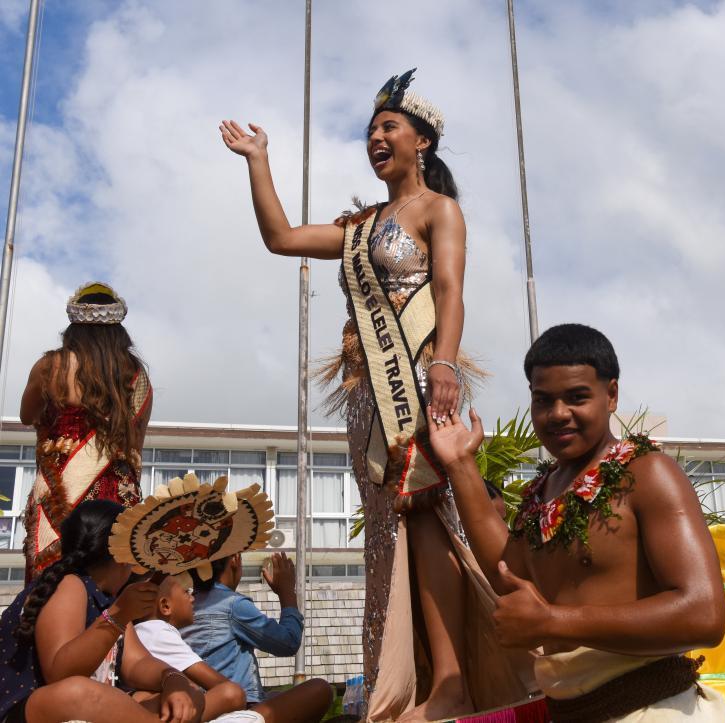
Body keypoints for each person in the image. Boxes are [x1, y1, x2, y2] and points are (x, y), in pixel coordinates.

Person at [219, 69, 531, 721]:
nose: (376, 139)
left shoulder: (438, 210)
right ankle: (409, 677)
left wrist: (443, 360)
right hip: (367, 396)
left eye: (389, 127)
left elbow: (449, 290)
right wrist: (258, 160)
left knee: (426, 513)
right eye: (370, 131)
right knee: (390, 532)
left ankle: (451, 679)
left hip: (416, 377)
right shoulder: (359, 228)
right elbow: (281, 239)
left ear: (423, 141)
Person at [427, 324, 725, 721]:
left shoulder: (648, 473)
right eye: (543, 400)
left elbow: (704, 615)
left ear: (612, 395)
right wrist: (459, 464)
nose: (558, 414)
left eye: (576, 397)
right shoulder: (541, 494)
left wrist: (555, 622)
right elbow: (507, 575)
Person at [0, 500, 203, 723]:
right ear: (122, 556)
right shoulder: (70, 584)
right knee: (79, 692)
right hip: (28, 711)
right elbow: (60, 674)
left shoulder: (111, 601)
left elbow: (137, 664)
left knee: (189, 694)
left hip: (92, 705)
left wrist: (172, 678)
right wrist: (118, 615)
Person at [19, 282, 152, 581]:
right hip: (116, 491)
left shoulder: (50, 366)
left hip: (60, 487)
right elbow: (136, 445)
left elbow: (27, 415)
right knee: (113, 578)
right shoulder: (136, 376)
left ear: (73, 329)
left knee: (54, 577)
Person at [182, 552, 333, 723]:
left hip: (204, 708)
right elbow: (288, 642)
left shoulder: (187, 604)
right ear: (235, 559)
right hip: (236, 712)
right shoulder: (232, 604)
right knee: (320, 689)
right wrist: (286, 592)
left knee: (275, 695)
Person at [134, 576, 258, 722]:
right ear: (165, 606)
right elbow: (219, 683)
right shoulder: (158, 631)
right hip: (166, 714)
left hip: (151, 708)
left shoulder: (142, 631)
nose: (192, 598)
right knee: (233, 693)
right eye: (187, 592)